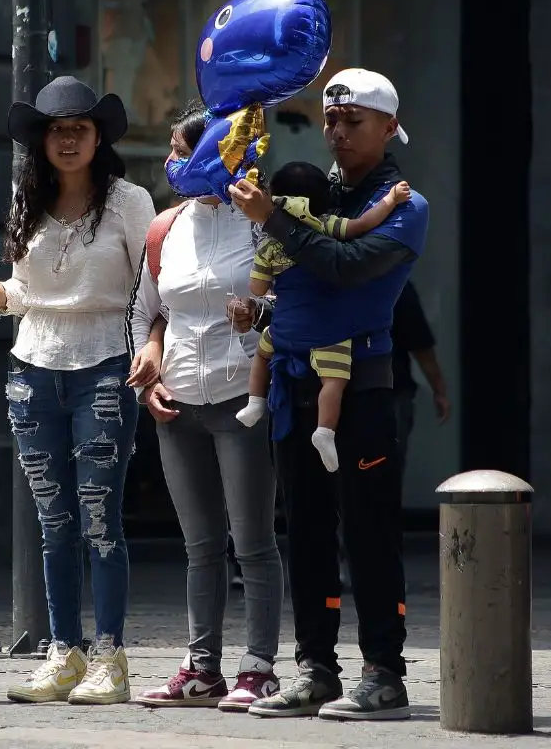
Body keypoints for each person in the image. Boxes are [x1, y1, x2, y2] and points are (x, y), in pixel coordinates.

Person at [227, 67, 428, 721]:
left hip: (364, 388)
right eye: (330, 120)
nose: (336, 132)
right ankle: (315, 665)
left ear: (389, 126)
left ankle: (384, 672)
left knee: (368, 532)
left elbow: (346, 271)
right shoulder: (309, 200)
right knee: (306, 531)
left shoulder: (406, 207)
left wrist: (276, 224)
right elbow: (295, 299)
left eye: (353, 121)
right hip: (292, 387)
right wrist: (255, 319)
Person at [0, 76, 155, 705]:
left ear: (99, 135)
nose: (69, 137)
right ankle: (63, 652)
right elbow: (23, 296)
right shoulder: (27, 199)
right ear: (41, 141)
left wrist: (149, 350)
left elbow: (153, 290)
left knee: (100, 516)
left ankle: (110, 655)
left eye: (80, 126)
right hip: (31, 369)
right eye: (56, 128)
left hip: (105, 363)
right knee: (54, 521)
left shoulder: (130, 201)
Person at [126, 101, 283, 711]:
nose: (171, 160)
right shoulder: (166, 228)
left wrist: (256, 317)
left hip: (242, 397)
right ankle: (202, 667)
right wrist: (147, 376)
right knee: (199, 544)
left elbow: (290, 310)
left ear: (222, 153)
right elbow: (143, 314)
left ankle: (259, 667)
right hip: (178, 403)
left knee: (253, 541)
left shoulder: (262, 223)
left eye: (181, 149)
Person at [235, 161, 411, 472]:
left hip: (284, 332)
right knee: (334, 380)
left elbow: (257, 288)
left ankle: (254, 402)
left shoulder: (270, 245)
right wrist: (391, 200)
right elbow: (362, 225)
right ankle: (325, 430)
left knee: (262, 355)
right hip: (327, 336)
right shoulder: (328, 225)